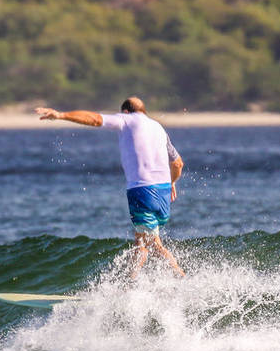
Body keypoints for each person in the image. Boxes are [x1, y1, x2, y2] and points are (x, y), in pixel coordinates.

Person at [35, 97, 186, 277]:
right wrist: (172, 183)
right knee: (145, 242)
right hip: (163, 194)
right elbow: (178, 164)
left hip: (142, 192)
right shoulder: (159, 128)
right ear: (144, 110)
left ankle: (176, 277)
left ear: (125, 112)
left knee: (149, 246)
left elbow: (95, 119)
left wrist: (61, 115)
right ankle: (134, 282)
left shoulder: (126, 119)